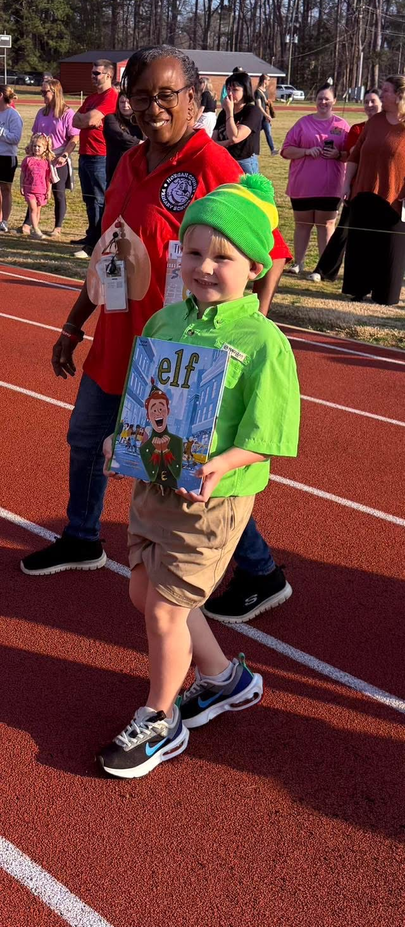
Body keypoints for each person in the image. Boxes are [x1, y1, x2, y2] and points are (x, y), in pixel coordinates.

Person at [21, 45, 293, 624]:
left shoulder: (212, 165)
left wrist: (246, 330)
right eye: (141, 95)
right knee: (88, 437)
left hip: (180, 357)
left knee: (183, 472)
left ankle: (262, 570)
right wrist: (75, 322)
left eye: (167, 95)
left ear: (194, 100)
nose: (152, 107)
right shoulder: (128, 163)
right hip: (120, 340)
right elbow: (110, 252)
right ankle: (82, 537)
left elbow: (271, 256)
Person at [97, 174, 300, 779]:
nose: (205, 266)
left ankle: (162, 719)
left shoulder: (263, 341)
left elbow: (269, 439)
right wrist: (122, 435)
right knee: (145, 593)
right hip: (154, 486)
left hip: (213, 501)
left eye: (223, 257)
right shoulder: (163, 326)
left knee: (164, 608)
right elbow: (143, 398)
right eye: (193, 252)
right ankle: (221, 678)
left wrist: (225, 463)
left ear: (256, 267)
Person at [341, 76, 405, 305]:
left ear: (399, 95)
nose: (382, 94)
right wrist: (347, 183)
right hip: (364, 191)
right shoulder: (375, 121)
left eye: (386, 90)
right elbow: (355, 154)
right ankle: (357, 288)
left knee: (389, 245)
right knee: (361, 243)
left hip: (395, 196)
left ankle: (385, 293)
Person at [307, 88, 382, 282]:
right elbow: (350, 156)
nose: (369, 105)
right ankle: (324, 271)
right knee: (344, 230)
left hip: (385, 189)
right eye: (366, 102)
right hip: (359, 186)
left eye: (373, 101)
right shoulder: (358, 129)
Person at [280, 83, 349, 274]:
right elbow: (286, 150)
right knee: (302, 224)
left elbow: (351, 155)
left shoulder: (341, 126)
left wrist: (337, 154)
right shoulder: (302, 123)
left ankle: (322, 268)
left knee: (325, 225)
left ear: (334, 101)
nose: (323, 102)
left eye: (327, 98)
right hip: (302, 185)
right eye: (320, 98)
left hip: (330, 186)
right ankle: (298, 263)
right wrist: (306, 151)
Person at [20, 79, 79, 238]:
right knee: (34, 190)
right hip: (40, 160)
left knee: (58, 193)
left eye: (45, 92)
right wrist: (31, 146)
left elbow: (74, 138)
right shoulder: (42, 112)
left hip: (58, 158)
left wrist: (65, 155)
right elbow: (35, 134)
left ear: (55, 92)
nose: (42, 95)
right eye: (41, 92)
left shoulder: (67, 113)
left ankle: (57, 227)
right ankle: (28, 224)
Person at [71, 59, 117, 259]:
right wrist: (87, 120)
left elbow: (88, 119)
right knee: (89, 199)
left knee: (99, 199)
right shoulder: (91, 98)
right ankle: (91, 235)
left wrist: (88, 120)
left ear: (108, 75)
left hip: (100, 155)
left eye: (97, 73)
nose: (93, 76)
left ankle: (96, 243)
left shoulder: (111, 97)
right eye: (92, 72)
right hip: (85, 154)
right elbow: (75, 120)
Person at [213, 70, 262, 174]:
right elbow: (213, 142)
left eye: (235, 90)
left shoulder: (252, 111)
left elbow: (235, 137)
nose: (230, 93)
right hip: (225, 160)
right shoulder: (223, 113)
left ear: (245, 91)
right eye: (228, 89)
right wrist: (227, 143)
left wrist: (230, 112)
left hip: (244, 162)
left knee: (247, 190)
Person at [103, 90, 142, 186]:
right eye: (122, 102)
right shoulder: (111, 119)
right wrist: (140, 143)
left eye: (128, 102)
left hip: (136, 169)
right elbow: (121, 137)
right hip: (116, 169)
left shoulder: (141, 121)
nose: (125, 106)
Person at [19, 133, 54, 238]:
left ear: (44, 148)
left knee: (38, 210)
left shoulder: (46, 162)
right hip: (29, 189)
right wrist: (21, 185)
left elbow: (48, 178)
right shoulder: (27, 160)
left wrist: (49, 190)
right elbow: (23, 174)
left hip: (41, 190)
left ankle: (35, 228)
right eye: (34, 146)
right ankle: (36, 229)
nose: (36, 148)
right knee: (33, 209)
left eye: (39, 146)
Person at [0, 85, 23, 232]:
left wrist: (1, 131)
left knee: (5, 188)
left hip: (7, 157)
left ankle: (5, 221)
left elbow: (16, 138)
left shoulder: (13, 115)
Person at [254, 74, 278, 156]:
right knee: (255, 134)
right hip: (259, 117)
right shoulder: (257, 92)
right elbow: (259, 105)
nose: (269, 82)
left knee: (268, 133)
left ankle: (273, 150)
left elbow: (265, 104)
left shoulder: (265, 92)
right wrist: (266, 115)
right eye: (268, 80)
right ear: (264, 81)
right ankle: (254, 150)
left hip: (265, 117)